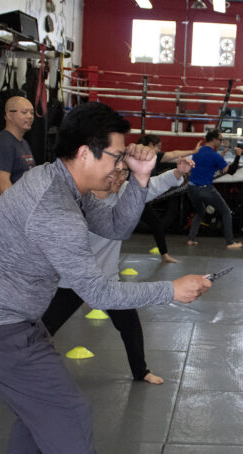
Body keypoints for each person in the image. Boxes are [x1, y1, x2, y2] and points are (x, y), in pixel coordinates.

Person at [0, 102, 212, 454]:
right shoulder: (53, 207)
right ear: (86, 154)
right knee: (67, 415)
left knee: (41, 415)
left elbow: (115, 224)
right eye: (115, 157)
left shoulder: (63, 182)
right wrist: (169, 291)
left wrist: (144, 179)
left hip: (8, 319)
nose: (119, 166)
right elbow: (97, 291)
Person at [42, 154, 197, 384]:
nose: (120, 179)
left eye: (124, 173)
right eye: (115, 174)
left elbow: (152, 186)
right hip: (73, 280)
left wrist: (177, 173)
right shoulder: (77, 200)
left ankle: (141, 372)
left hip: (106, 281)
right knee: (44, 330)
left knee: (130, 325)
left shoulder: (124, 193)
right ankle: (20, 367)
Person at [136, 133, 201, 263]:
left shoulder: (154, 158)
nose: (159, 150)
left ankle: (164, 254)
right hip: (126, 196)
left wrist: (193, 152)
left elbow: (173, 154)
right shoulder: (134, 157)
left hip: (141, 199)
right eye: (158, 147)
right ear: (150, 145)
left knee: (156, 224)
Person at [186, 129, 243, 248]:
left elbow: (205, 167)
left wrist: (219, 159)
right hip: (205, 189)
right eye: (220, 140)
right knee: (226, 212)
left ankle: (191, 239)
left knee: (200, 211)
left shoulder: (198, 151)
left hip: (191, 188)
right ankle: (230, 242)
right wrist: (238, 156)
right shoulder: (214, 156)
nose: (221, 142)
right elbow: (231, 171)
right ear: (214, 140)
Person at [0, 95, 36, 200]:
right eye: (24, 112)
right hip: (8, 213)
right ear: (9, 115)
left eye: (32, 113)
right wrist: (18, 210)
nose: (30, 116)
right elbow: (3, 184)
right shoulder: (2, 143)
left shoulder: (24, 143)